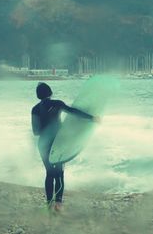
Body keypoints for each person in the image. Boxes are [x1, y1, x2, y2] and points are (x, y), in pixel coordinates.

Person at [31, 82, 98, 212]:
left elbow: (35, 132)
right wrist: (92, 118)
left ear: (38, 95)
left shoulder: (35, 109)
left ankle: (49, 204)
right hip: (58, 143)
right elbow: (73, 112)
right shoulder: (57, 103)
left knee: (49, 173)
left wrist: (46, 127)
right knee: (59, 173)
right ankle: (59, 204)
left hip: (43, 144)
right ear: (50, 92)